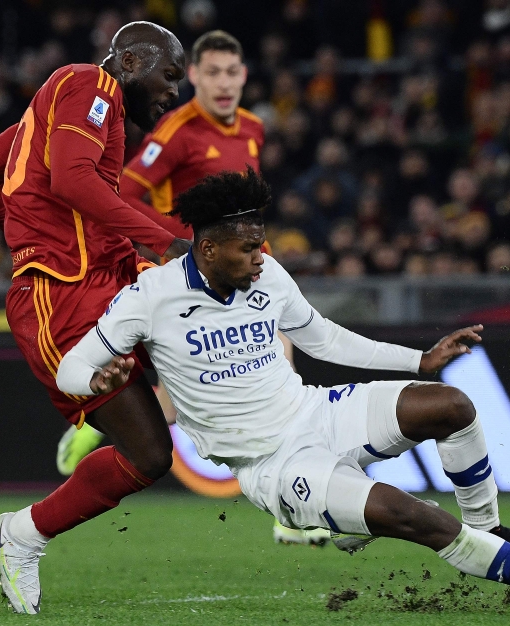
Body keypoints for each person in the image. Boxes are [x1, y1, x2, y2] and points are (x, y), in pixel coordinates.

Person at [0, 169, 510, 615]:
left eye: (261, 245)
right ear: (207, 248)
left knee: (454, 407)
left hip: (317, 412)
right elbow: (71, 369)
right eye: (247, 248)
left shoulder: (265, 274)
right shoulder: (150, 298)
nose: (261, 257)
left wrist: (420, 360)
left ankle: (489, 529)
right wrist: (94, 379)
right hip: (275, 467)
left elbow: (323, 338)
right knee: (414, 516)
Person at [50, 29, 325, 547]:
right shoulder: (176, 130)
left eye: (231, 73)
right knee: (265, 372)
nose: (223, 83)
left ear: (244, 77)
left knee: (255, 377)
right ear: (194, 77)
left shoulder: (252, 128)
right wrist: (185, 241)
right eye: (212, 73)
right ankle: (294, 505)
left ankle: (292, 505)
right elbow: (123, 191)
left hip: (238, 267)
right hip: (195, 269)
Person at [0, 22, 194, 615]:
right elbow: (69, 179)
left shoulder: (58, 110)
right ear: (131, 61)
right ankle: (23, 534)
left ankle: (316, 484)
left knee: (207, 353)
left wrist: (25, 221)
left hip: (108, 280)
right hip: (61, 294)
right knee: (149, 454)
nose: (174, 92)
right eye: (169, 75)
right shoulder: (90, 84)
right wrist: (160, 240)